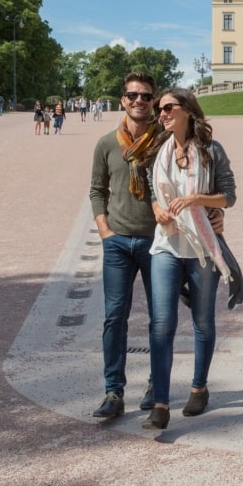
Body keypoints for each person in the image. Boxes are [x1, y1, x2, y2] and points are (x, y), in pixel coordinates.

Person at [143, 87, 237, 429]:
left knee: (203, 321)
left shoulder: (212, 151)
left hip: (200, 247)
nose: (162, 113)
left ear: (187, 110)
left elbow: (229, 196)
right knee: (162, 323)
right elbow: (153, 189)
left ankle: (199, 387)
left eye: (168, 107)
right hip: (167, 245)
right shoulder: (159, 149)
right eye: (159, 108)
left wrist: (198, 199)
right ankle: (161, 404)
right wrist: (156, 207)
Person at [89, 73, 163, 420]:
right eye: (133, 95)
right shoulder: (107, 143)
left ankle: (155, 385)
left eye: (145, 96)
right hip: (117, 241)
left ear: (154, 101)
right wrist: (104, 229)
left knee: (159, 320)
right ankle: (113, 391)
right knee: (114, 318)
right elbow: (97, 190)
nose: (139, 100)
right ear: (123, 100)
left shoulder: (164, 141)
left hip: (157, 242)